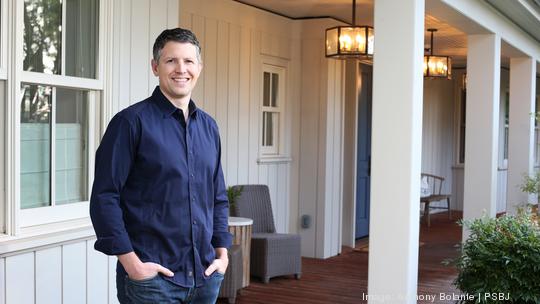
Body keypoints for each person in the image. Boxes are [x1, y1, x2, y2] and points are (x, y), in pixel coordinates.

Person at [90, 28, 232, 304]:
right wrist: (132, 265)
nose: (181, 69)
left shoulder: (209, 128)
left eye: (189, 61)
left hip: (205, 278)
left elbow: (218, 197)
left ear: (199, 68)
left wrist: (222, 254)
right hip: (152, 284)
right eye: (171, 61)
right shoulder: (130, 123)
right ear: (155, 67)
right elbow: (104, 197)